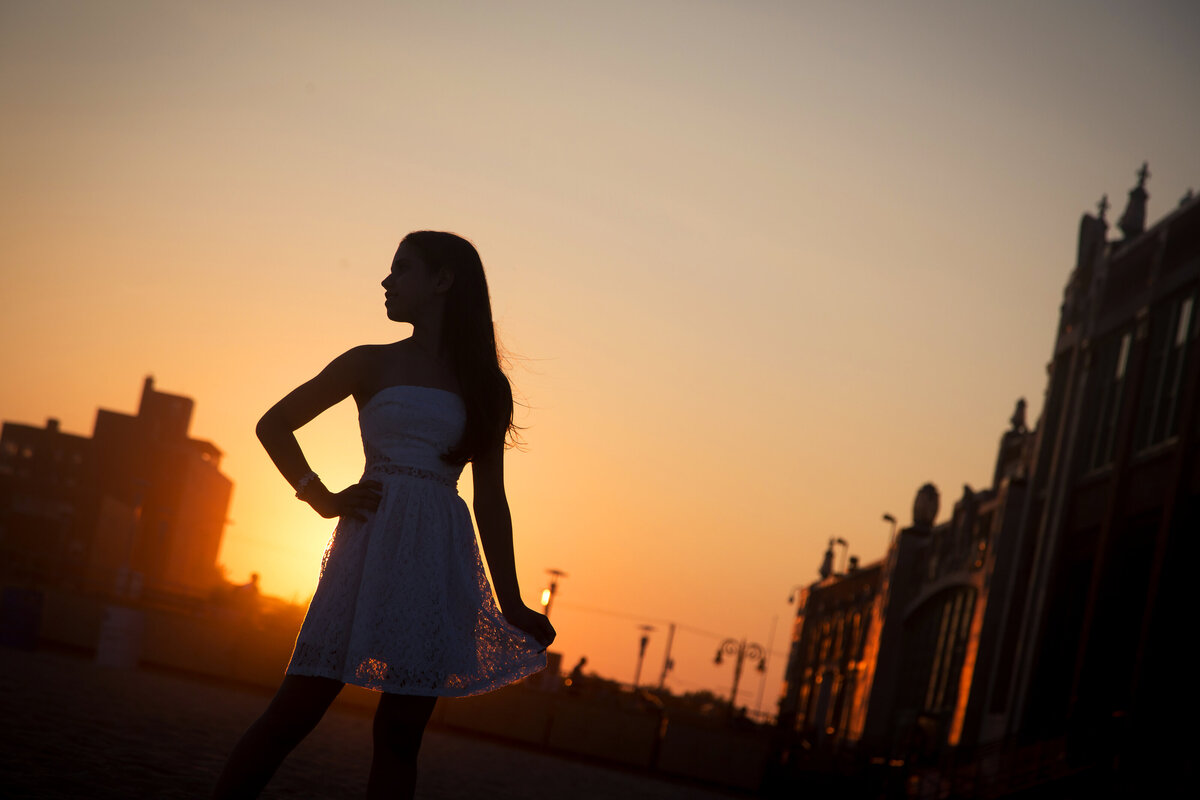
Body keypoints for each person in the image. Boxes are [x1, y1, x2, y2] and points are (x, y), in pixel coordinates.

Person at [213, 231, 556, 799]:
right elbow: (273, 424)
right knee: (295, 709)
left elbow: (490, 497)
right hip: (366, 544)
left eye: (401, 269)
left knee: (400, 733)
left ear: (443, 281)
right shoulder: (368, 363)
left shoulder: (487, 387)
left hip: (437, 555)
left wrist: (513, 599)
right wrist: (316, 495)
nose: (386, 281)